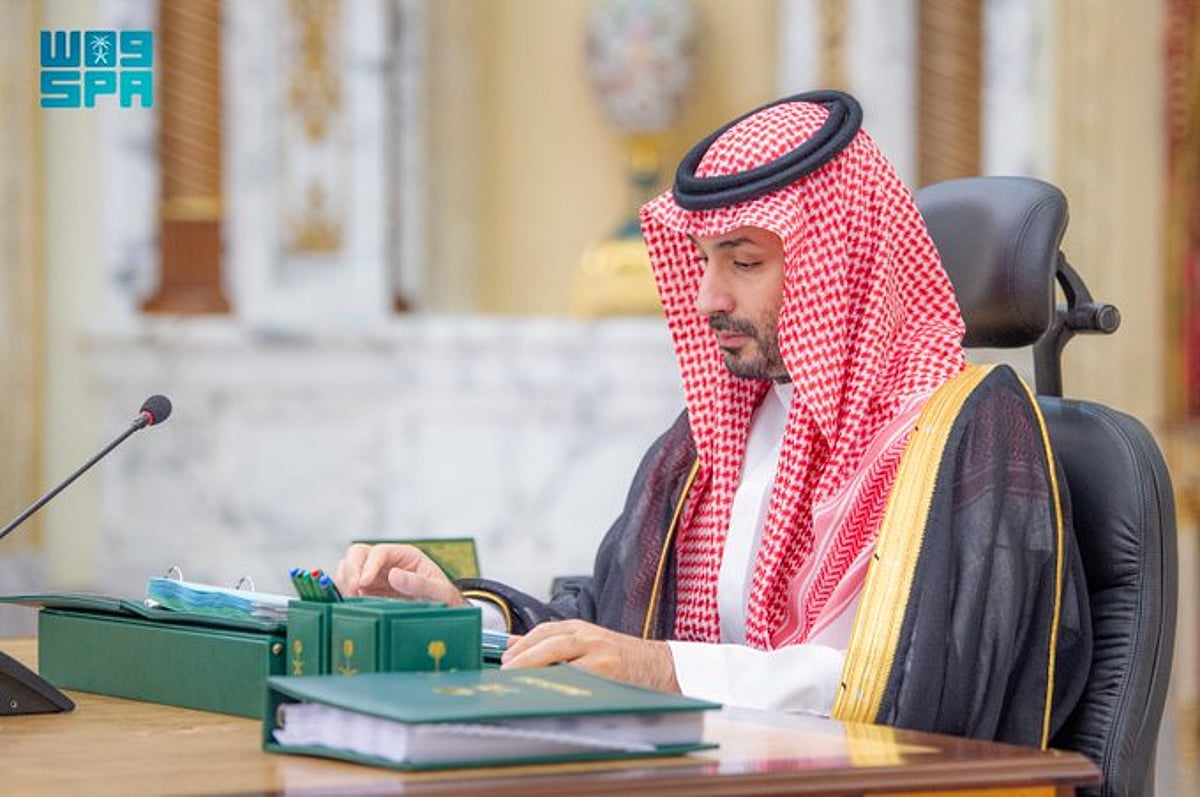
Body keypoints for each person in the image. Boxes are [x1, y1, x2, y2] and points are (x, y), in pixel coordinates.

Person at [334, 91, 1091, 748]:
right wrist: (463, 618)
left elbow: (931, 691)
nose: (707, 299)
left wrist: (667, 671)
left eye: (745, 262)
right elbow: (609, 620)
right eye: (703, 261)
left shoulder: (969, 430)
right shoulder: (707, 439)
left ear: (842, 262)